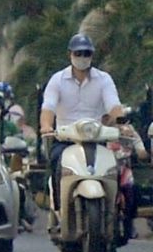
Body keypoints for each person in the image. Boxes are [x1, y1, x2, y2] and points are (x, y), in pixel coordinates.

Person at [39, 33, 122, 226]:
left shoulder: (104, 80)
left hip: (96, 139)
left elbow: (113, 105)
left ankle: (113, 213)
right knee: (56, 162)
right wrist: (46, 127)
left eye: (87, 53)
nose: (83, 57)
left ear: (92, 56)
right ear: (70, 54)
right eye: (79, 53)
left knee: (112, 169)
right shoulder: (57, 80)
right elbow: (48, 108)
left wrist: (121, 122)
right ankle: (60, 208)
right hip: (65, 140)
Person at [110, 105, 148, 240]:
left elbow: (141, 151)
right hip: (105, 170)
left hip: (124, 169)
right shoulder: (101, 131)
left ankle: (128, 225)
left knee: (131, 193)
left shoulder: (130, 132)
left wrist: (144, 153)